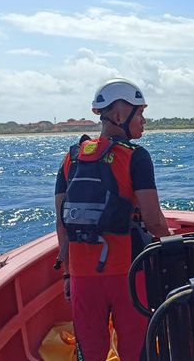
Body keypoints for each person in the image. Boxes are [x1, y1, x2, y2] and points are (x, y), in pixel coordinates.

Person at [54, 78, 169, 361]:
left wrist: (68, 273)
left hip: (82, 276)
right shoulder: (136, 157)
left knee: (91, 353)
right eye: (139, 113)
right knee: (135, 350)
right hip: (127, 273)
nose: (143, 121)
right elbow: (153, 220)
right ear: (119, 115)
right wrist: (172, 246)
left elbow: (62, 222)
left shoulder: (72, 158)